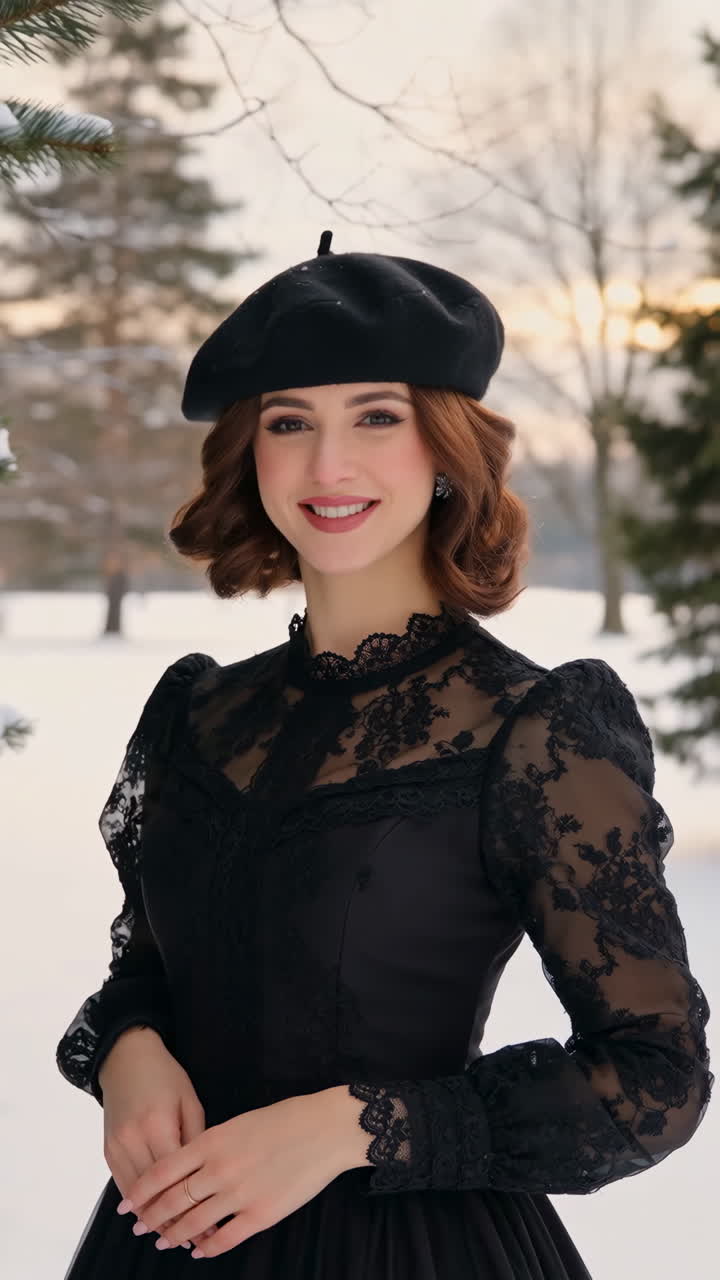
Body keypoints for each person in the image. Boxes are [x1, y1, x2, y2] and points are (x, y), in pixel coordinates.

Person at [56, 231, 713, 1279]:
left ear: (448, 449)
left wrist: (352, 1125)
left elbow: (654, 1079)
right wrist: (128, 1048)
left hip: (414, 1247)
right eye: (288, 422)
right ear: (251, 453)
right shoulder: (196, 712)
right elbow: (152, 965)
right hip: (165, 1243)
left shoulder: (537, 726)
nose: (328, 465)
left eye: (377, 416)